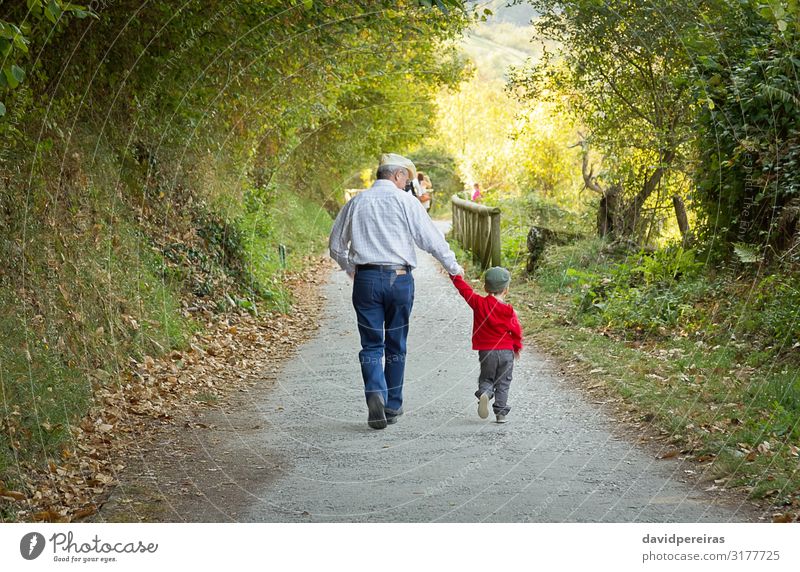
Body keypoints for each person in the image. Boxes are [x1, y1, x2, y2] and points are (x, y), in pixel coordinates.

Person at [329, 153, 464, 429]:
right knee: (396, 343)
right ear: (397, 175)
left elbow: (335, 246)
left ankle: (375, 393)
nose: (407, 184)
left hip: (366, 279)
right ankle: (392, 405)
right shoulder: (407, 202)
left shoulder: (356, 202)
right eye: (407, 179)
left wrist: (351, 268)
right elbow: (431, 241)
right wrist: (454, 268)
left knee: (370, 343)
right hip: (400, 279)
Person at [449, 267, 523, 423]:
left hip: (486, 351)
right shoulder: (509, 310)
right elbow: (516, 331)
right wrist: (516, 348)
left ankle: (485, 393)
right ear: (506, 289)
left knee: (487, 378)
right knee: (503, 381)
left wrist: (454, 275)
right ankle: (501, 414)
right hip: (506, 351)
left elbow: (464, 290)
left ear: (485, 287)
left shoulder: (478, 303)